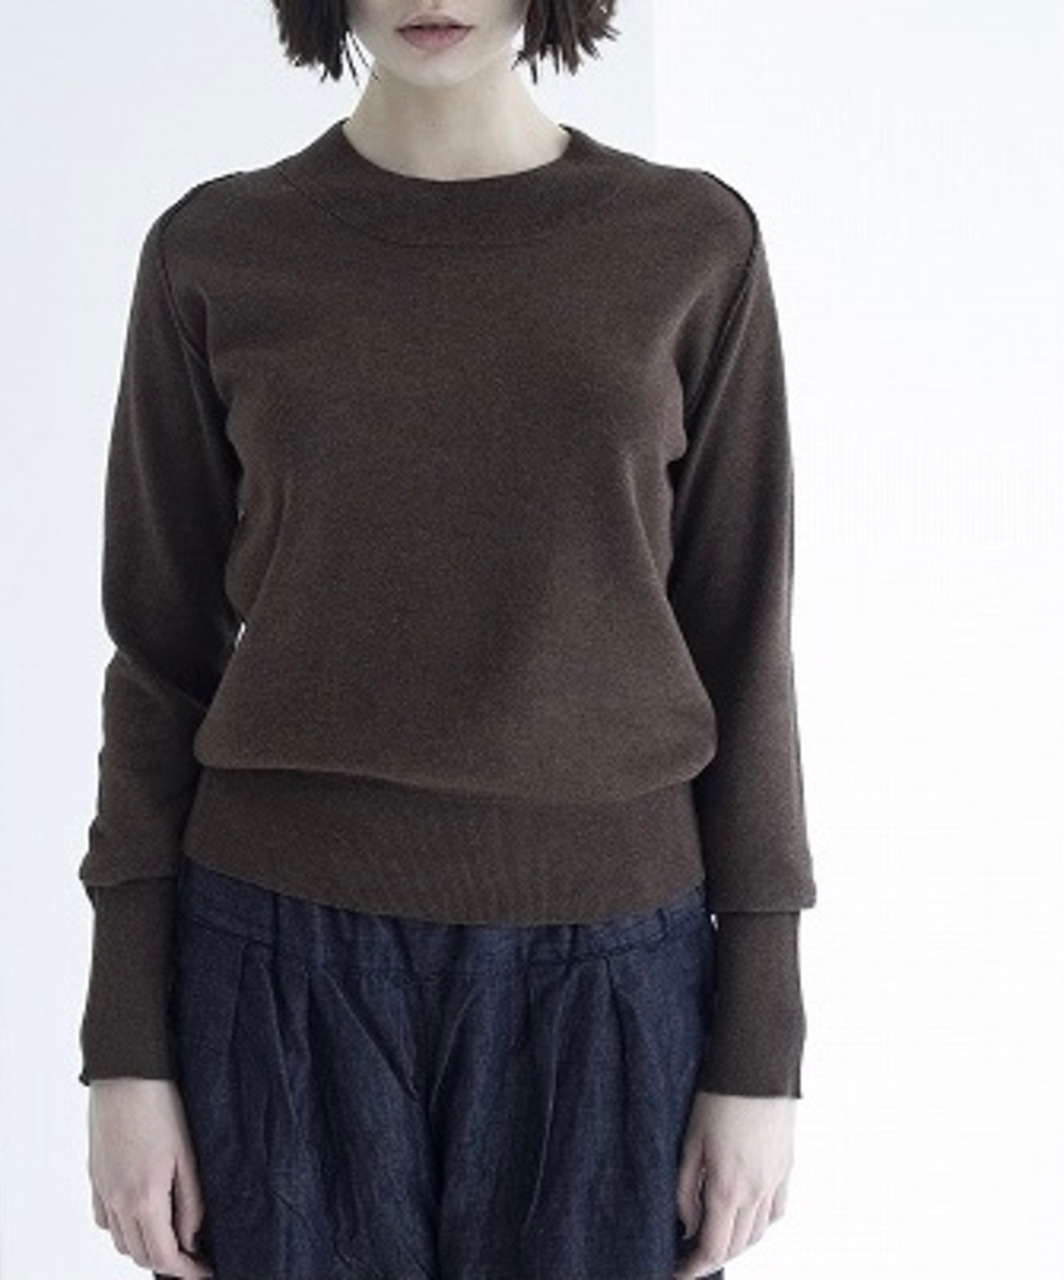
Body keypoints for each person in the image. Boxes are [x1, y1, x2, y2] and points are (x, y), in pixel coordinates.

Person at [78, 1, 818, 1277]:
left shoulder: (688, 244)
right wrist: (124, 1046)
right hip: (276, 957)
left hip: (607, 968)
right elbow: (156, 656)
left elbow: (742, 635)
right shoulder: (216, 250)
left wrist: (761, 1038)